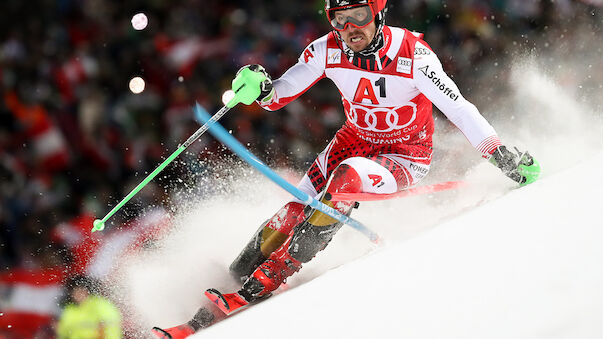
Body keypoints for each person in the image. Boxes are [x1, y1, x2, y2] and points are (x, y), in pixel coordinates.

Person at [152, 0, 540, 337]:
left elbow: (458, 108)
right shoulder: (327, 49)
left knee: (345, 181)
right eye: (339, 18)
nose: (349, 29)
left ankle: (273, 275)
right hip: (351, 142)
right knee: (294, 210)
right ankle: (237, 278)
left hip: (403, 155)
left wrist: (498, 153)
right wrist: (261, 88)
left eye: (358, 15)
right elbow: (282, 93)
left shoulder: (414, 56)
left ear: (378, 12)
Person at [56, 276, 122, 339]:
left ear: (88, 290)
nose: (78, 294)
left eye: (81, 290)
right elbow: (63, 333)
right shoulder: (69, 309)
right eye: (75, 291)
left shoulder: (101, 304)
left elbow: (113, 326)